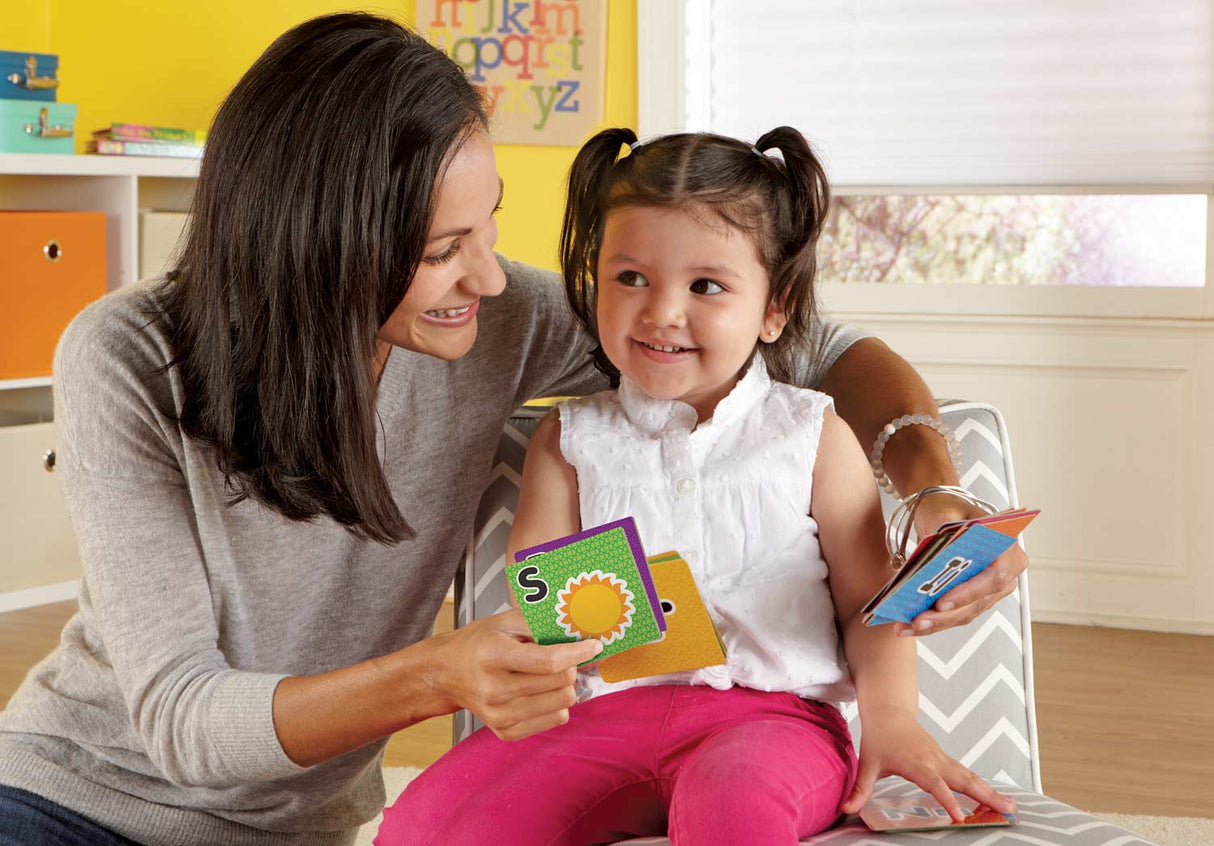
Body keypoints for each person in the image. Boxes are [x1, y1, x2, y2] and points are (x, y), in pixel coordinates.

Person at [0, 12, 1024, 846]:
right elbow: (183, 725)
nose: (488, 277)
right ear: (319, 244)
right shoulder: (131, 358)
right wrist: (443, 672)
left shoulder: (493, 322)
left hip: (297, 829)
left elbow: (825, 353)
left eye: (487, 227)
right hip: (68, 800)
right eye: (445, 247)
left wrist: (931, 486)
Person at [375, 127, 1017, 846]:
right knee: (425, 826)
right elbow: (542, 594)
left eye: (705, 286)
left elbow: (870, 607)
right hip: (596, 717)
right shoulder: (569, 439)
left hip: (775, 722)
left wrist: (893, 726)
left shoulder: (811, 435)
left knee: (732, 814)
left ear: (775, 307)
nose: (661, 312)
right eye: (630, 278)